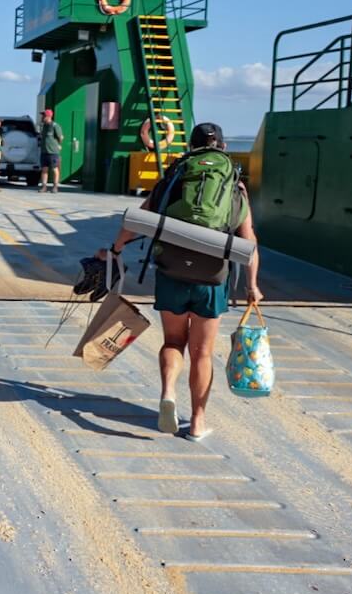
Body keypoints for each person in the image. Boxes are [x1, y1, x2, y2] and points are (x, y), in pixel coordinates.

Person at [97, 122, 262, 442]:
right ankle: (198, 421)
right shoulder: (233, 184)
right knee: (202, 353)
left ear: (191, 147)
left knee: (173, 342)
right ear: (223, 148)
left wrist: (114, 250)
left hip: (171, 270)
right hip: (212, 278)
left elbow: (136, 221)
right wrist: (252, 285)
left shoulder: (175, 176)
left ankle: (168, 393)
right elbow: (249, 240)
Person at [38, 108, 64, 193]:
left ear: (48, 116)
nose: (42, 117)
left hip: (53, 152)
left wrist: (59, 145)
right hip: (44, 151)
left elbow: (61, 137)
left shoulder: (54, 126)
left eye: (43, 116)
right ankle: (44, 186)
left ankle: (55, 186)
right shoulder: (44, 126)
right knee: (44, 169)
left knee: (54, 169)